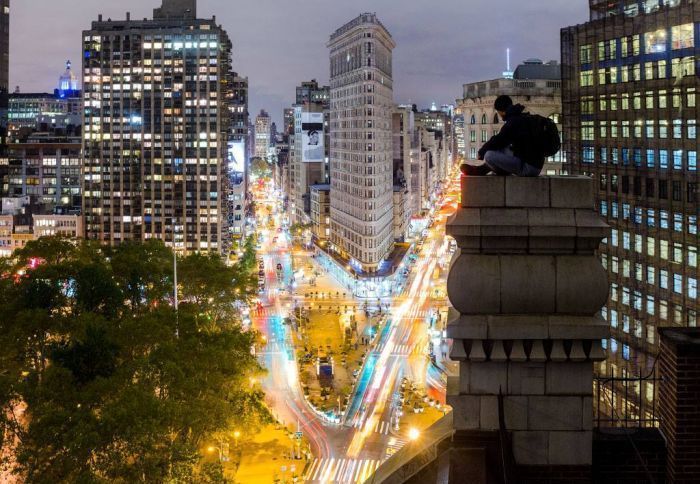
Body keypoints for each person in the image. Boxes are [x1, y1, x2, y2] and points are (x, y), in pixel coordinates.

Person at [462, 95, 544, 177]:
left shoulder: (513, 121)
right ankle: (482, 169)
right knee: (501, 149)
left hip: (528, 168)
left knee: (489, 155)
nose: (499, 115)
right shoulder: (520, 117)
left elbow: (499, 140)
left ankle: (482, 170)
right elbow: (502, 141)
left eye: (498, 112)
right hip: (533, 165)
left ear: (502, 112)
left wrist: (482, 151)